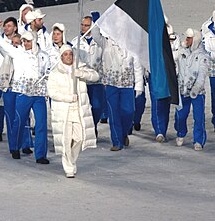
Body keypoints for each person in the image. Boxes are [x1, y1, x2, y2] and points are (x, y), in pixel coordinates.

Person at [0, 14, 51, 164]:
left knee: (41, 124)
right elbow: (2, 44)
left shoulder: (44, 56)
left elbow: (48, 71)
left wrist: (47, 86)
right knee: (18, 121)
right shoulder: (17, 53)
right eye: (23, 41)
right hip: (22, 93)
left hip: (39, 94)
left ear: (34, 41)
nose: (24, 43)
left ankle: (40, 155)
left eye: (27, 41)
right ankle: (15, 147)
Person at [48, 45, 100, 178]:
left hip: (78, 110)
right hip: (64, 111)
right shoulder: (55, 73)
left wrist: (81, 74)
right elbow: (52, 92)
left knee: (79, 138)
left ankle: (71, 160)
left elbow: (95, 76)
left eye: (70, 54)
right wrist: (68, 98)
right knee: (66, 140)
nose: (68, 57)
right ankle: (69, 168)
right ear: (61, 57)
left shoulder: (79, 68)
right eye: (65, 54)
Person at [101, 33, 144, 151]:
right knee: (113, 113)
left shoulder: (132, 46)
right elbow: (95, 35)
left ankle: (124, 133)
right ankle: (117, 141)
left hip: (127, 85)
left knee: (129, 111)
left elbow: (138, 67)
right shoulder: (107, 42)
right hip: (111, 84)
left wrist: (139, 86)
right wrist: (97, 20)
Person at [173, 28, 209, 149]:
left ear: (195, 40)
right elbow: (170, 56)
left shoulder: (203, 55)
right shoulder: (181, 51)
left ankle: (198, 140)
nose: (186, 40)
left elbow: (202, 74)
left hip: (197, 93)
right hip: (183, 90)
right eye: (186, 38)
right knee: (181, 115)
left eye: (189, 38)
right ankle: (181, 132)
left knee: (198, 117)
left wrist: (196, 88)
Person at [73, 15, 107, 127]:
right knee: (83, 107)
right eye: (82, 25)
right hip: (82, 81)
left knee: (97, 106)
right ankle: (87, 128)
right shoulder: (76, 42)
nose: (84, 27)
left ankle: (93, 125)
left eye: (87, 25)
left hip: (97, 80)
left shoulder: (100, 42)